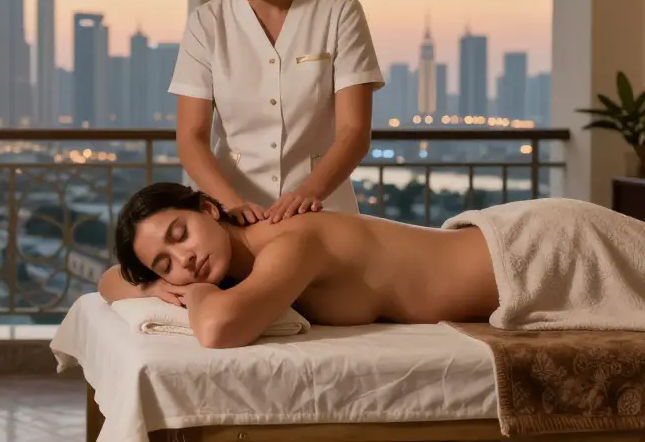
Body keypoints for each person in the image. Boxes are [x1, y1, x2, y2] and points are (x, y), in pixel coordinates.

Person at [98, 182, 635, 350]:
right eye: (165, 263)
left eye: (180, 234)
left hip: (545, 250)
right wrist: (152, 284)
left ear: (209, 208)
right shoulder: (244, 267)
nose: (185, 259)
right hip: (517, 256)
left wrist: (189, 294)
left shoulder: (289, 243)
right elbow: (107, 281)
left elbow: (218, 329)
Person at [172, 0, 384, 225]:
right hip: (234, 214)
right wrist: (233, 204)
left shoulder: (339, 11)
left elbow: (354, 132)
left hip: (322, 208)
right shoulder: (206, 23)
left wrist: (307, 194)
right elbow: (191, 137)